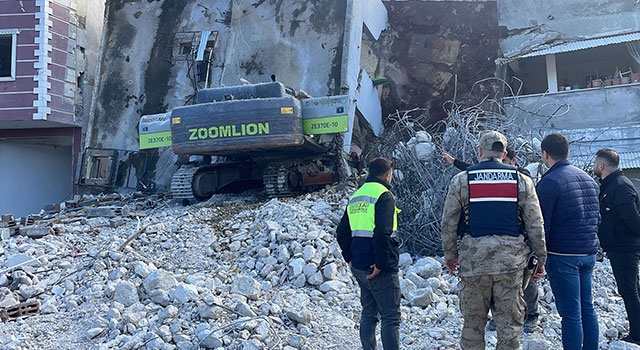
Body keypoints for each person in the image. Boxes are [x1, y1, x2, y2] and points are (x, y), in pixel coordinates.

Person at [441, 131, 547, 349]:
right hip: (511, 265)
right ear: (504, 153)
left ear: (479, 152)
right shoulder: (522, 180)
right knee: (509, 327)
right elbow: (536, 225)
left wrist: (450, 255)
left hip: (474, 263)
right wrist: (540, 259)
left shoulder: (462, 180)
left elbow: (449, 222)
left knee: (473, 325)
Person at [536, 133, 600, 349]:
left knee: (571, 314)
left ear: (545, 154)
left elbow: (542, 224)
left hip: (563, 255)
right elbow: (597, 218)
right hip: (588, 252)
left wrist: (538, 258)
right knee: (587, 307)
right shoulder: (589, 179)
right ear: (568, 152)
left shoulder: (549, 183)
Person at [336, 157, 401, 350]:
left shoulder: (357, 195)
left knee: (369, 313)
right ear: (388, 176)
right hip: (379, 267)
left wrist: (349, 258)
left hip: (360, 266)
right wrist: (381, 264)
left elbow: (341, 232)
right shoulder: (384, 195)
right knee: (391, 317)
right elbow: (382, 233)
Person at [594, 148, 640, 345]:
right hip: (620, 246)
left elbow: (633, 220)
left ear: (602, 166)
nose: (595, 165)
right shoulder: (612, 184)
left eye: (596, 162)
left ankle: (637, 335)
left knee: (629, 291)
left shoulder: (619, 186)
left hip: (625, 248)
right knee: (632, 290)